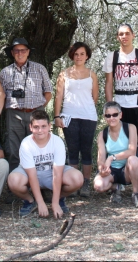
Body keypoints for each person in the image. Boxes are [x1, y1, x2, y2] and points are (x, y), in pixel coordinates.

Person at [0, 38, 53, 202]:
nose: (20, 53)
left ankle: (43, 187)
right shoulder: (5, 72)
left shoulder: (39, 69)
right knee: (14, 150)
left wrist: (39, 110)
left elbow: (48, 92)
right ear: (12, 53)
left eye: (23, 50)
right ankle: (16, 188)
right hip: (13, 114)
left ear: (28, 52)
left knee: (39, 151)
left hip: (35, 114)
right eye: (16, 51)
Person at [8, 110, 83, 218]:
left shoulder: (57, 141)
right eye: (36, 127)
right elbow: (32, 175)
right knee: (13, 180)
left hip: (51, 174)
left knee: (77, 178)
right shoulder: (26, 143)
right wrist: (40, 203)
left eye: (43, 126)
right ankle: (30, 201)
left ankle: (58, 199)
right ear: (30, 127)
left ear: (49, 126)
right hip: (32, 177)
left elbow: (57, 173)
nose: (40, 130)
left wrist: (55, 202)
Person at [54, 42, 98, 197]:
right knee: (72, 150)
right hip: (69, 116)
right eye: (76, 54)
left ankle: (85, 183)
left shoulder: (92, 74)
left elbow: (95, 97)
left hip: (88, 116)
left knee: (86, 150)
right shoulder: (64, 74)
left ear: (87, 56)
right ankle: (73, 182)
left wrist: (84, 107)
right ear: (72, 55)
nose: (79, 57)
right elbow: (58, 96)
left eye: (82, 54)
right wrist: (57, 116)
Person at [103, 23, 138, 156]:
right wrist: (110, 108)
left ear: (133, 35)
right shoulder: (112, 57)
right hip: (120, 106)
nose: (124, 36)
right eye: (121, 34)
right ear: (117, 37)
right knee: (124, 141)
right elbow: (108, 83)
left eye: (127, 33)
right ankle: (129, 174)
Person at [94, 101, 138, 208]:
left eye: (115, 115)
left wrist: (112, 158)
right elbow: (101, 157)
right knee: (98, 186)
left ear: (120, 115)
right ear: (105, 117)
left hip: (126, 170)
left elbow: (132, 151)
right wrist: (102, 169)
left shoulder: (130, 128)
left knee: (133, 159)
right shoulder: (102, 134)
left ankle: (136, 194)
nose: (112, 118)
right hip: (111, 171)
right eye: (108, 115)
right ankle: (115, 187)